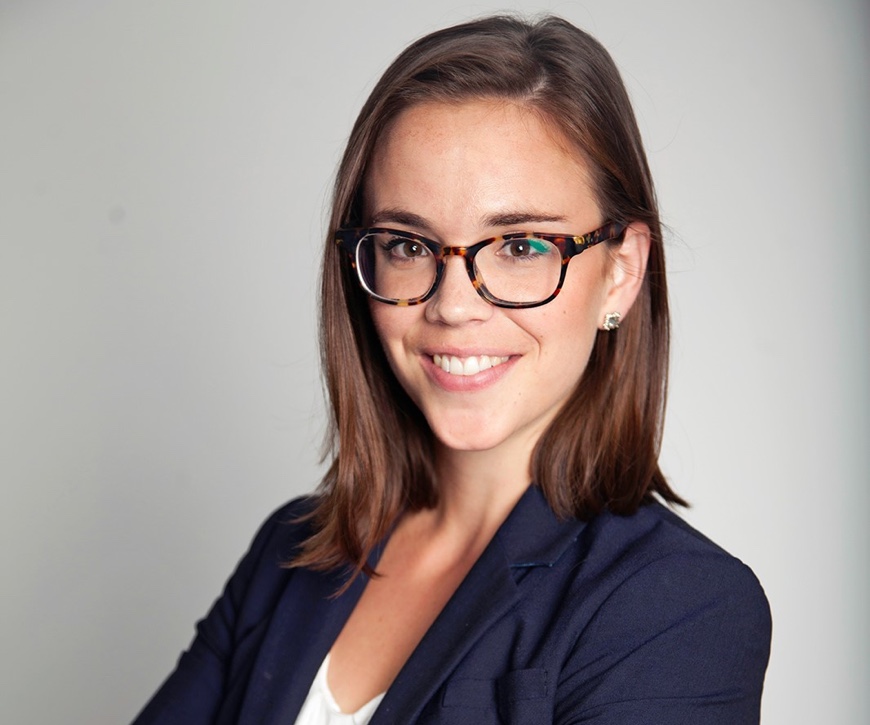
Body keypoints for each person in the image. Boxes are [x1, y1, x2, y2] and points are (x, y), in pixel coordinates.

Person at [133, 15, 771, 725]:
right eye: (408, 246)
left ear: (620, 273)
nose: (454, 306)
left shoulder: (679, 607)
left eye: (521, 246)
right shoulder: (291, 551)